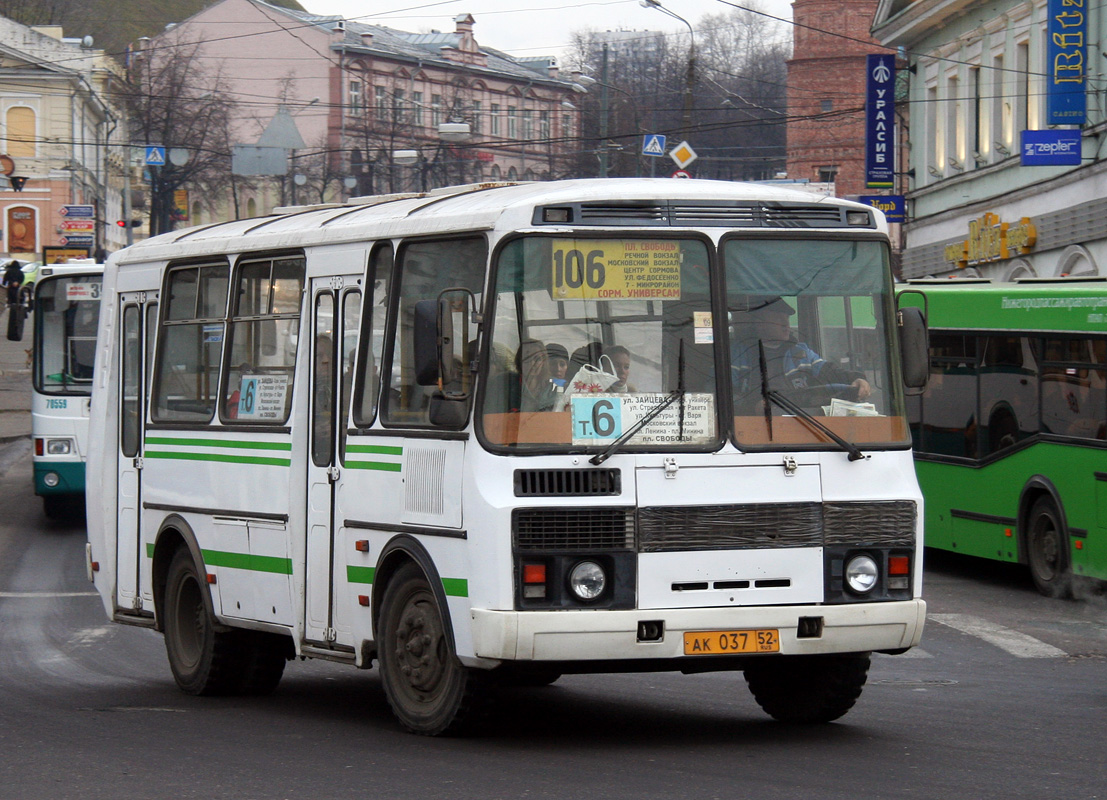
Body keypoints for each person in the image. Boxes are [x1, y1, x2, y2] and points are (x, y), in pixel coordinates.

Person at [731, 297, 871, 410]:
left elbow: (830, 372)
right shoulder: (738, 355)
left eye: (787, 318)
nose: (786, 323)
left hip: (802, 423)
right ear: (760, 323)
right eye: (779, 318)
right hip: (752, 432)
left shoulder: (801, 353)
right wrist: (751, 407)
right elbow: (721, 394)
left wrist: (858, 379)